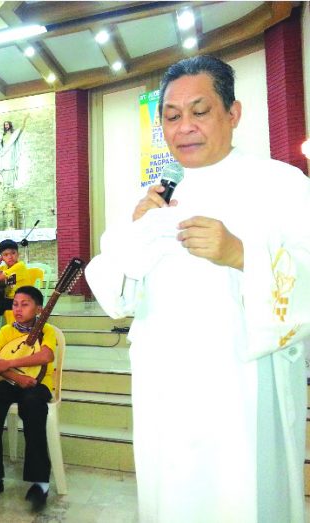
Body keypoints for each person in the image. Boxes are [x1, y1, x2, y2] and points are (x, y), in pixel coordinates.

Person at [85, 55, 310, 523]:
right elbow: (112, 290)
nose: (184, 126)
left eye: (199, 111)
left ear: (234, 113)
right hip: (166, 392)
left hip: (243, 395)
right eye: (171, 116)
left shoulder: (282, 185)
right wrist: (135, 236)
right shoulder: (153, 198)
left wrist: (241, 256)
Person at [0, 286, 55, 512]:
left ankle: (40, 484)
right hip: (12, 382)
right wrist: (15, 376)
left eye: (25, 304)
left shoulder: (47, 330)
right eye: (15, 304)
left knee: (32, 405)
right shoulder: (6, 331)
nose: (18, 309)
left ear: (39, 308)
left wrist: (10, 364)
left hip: (39, 383)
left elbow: (46, 355)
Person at [0, 239, 32, 330]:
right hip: (9, 299)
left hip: (21, 300)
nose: (10, 257)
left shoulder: (19, 266)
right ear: (2, 257)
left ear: (18, 254)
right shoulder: (5, 267)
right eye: (6, 255)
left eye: (13, 253)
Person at [0, 116, 28, 184]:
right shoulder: (3, 135)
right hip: (4, 152)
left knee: (9, 166)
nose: (6, 126)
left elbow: (20, 130)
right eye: (5, 125)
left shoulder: (13, 134)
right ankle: (3, 182)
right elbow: (0, 144)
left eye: (7, 124)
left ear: (10, 125)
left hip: (10, 151)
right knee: (3, 166)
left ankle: (10, 182)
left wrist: (24, 120)